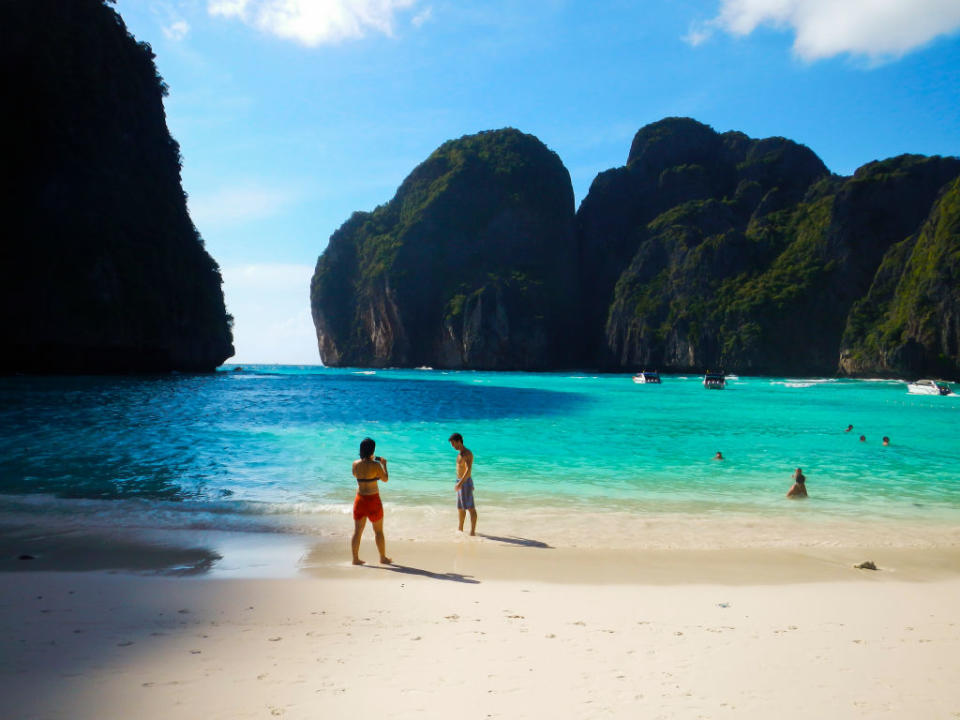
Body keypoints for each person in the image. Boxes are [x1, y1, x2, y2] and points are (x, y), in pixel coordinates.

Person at [351, 437, 391, 565]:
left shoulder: (355, 464)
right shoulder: (377, 465)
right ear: (372, 450)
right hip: (373, 499)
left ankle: (355, 559)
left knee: (357, 531)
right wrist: (384, 465)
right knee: (378, 531)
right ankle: (382, 558)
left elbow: (355, 474)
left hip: (360, 499)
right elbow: (385, 479)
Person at [449, 433, 477, 535]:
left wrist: (461, 483)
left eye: (453, 444)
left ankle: (472, 532)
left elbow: (468, 470)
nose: (452, 446)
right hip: (460, 482)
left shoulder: (467, 453)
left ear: (459, 441)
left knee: (470, 508)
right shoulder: (460, 454)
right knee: (460, 508)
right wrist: (458, 482)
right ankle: (460, 530)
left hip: (464, 482)